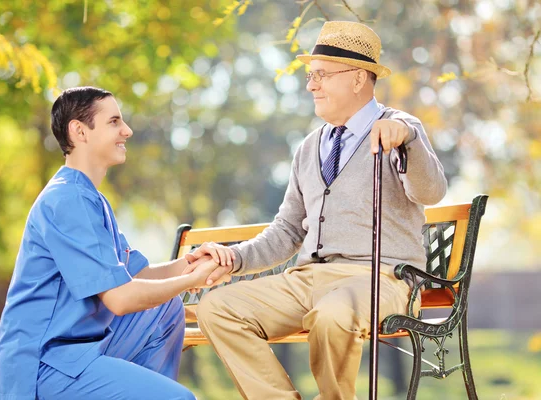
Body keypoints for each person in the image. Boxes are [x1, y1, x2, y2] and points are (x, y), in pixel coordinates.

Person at [184, 21, 448, 399]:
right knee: (217, 308)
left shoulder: (399, 129)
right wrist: (235, 258)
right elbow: (288, 230)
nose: (311, 85)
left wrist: (408, 142)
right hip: (307, 279)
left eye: (321, 75)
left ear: (358, 79)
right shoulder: (310, 147)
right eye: (311, 75)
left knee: (333, 315)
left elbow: (432, 191)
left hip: (382, 278)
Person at [0, 86, 231, 400]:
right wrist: (191, 280)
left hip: (81, 351)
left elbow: (137, 275)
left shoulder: (90, 198)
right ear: (79, 131)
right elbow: (120, 299)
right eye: (114, 122)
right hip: (45, 365)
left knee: (164, 310)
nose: (127, 131)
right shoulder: (67, 200)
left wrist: (190, 262)